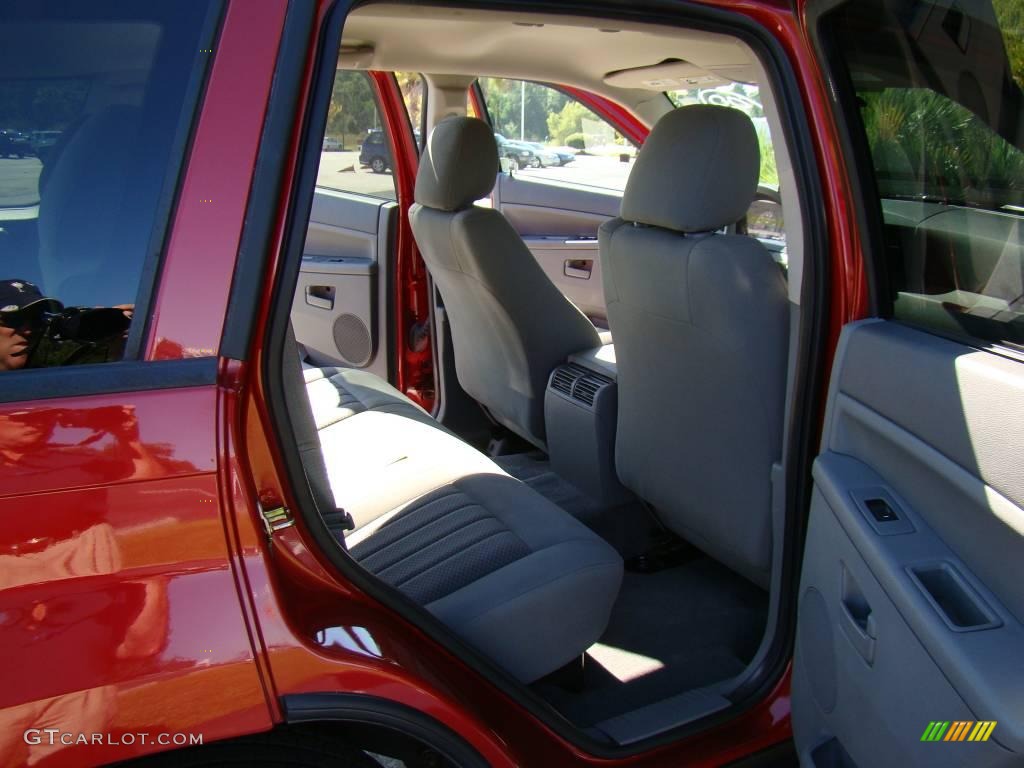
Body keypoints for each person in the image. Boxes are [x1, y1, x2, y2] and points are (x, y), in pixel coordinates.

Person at [0, 278, 132, 370]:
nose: (28, 331)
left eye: (37, 320)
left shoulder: (46, 381)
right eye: (14, 319)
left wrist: (116, 353)